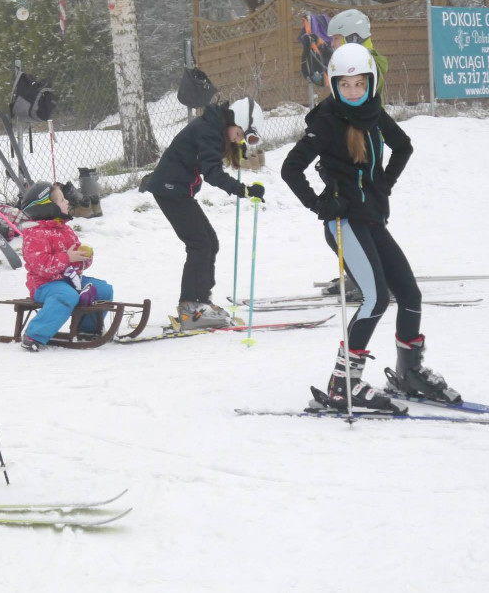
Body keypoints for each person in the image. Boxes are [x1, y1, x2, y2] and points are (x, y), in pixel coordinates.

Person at [281, 43, 460, 413]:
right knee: (376, 298)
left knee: (410, 294)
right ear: (333, 85)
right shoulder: (327, 120)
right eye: (344, 85)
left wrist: (383, 185)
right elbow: (290, 168)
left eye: (359, 84)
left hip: (372, 219)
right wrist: (319, 203)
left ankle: (410, 372)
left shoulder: (374, 113)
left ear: (371, 83)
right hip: (344, 222)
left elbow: (403, 147)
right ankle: (343, 383)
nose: (352, 92)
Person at [145, 97, 265, 330]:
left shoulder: (213, 126)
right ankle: (191, 309)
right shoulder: (209, 130)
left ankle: (201, 303)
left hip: (177, 189)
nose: (237, 139)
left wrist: (237, 148)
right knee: (200, 244)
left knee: (210, 242)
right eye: (239, 134)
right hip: (170, 189)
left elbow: (209, 157)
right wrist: (244, 190)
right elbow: (212, 172)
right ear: (233, 121)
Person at [18, 181, 113, 351]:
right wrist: (67, 258)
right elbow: (41, 266)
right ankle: (34, 335)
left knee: (104, 290)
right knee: (67, 295)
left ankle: (87, 330)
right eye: (62, 200)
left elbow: (77, 263)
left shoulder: (65, 230)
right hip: (45, 285)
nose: (67, 202)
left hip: (71, 280)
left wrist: (84, 257)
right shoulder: (36, 234)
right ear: (47, 207)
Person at [327, 8, 388, 104]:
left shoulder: (364, 65)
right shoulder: (360, 61)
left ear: (353, 38)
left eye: (336, 38)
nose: (332, 44)